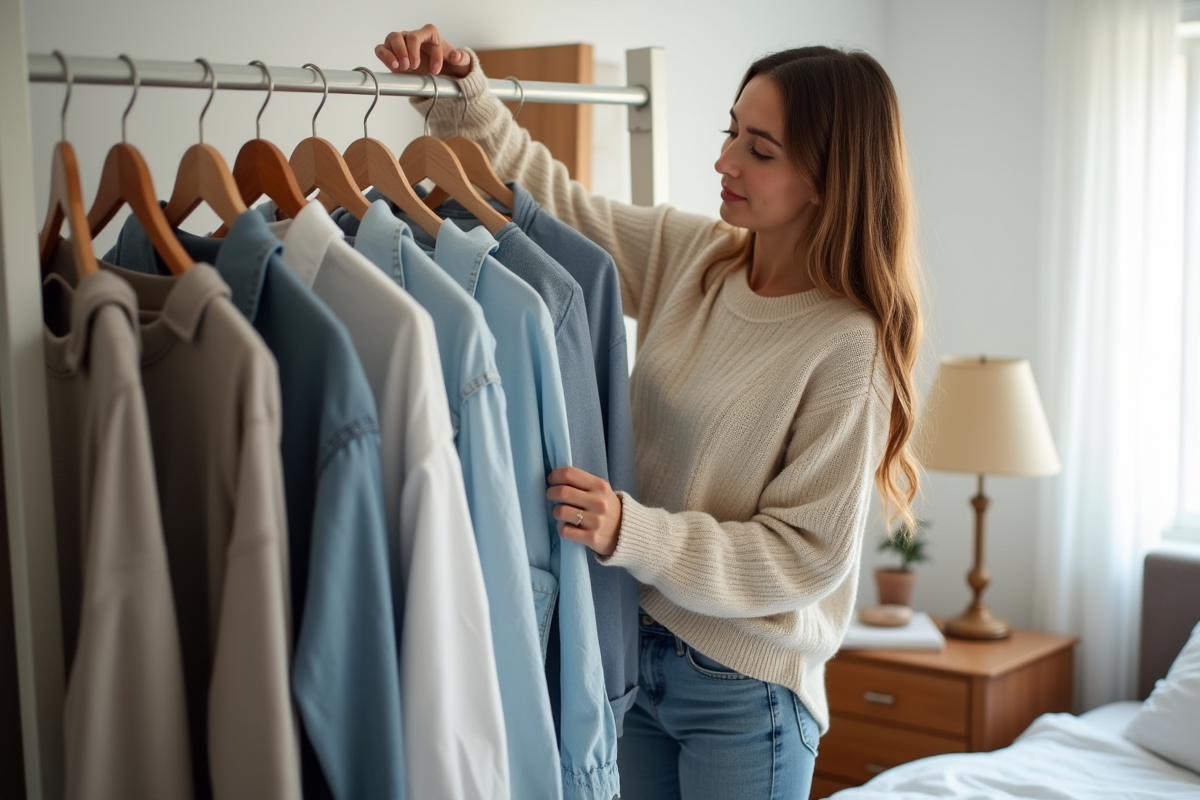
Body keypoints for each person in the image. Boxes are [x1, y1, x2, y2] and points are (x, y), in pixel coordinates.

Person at [376, 24, 923, 799]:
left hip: (744, 693)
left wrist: (632, 531)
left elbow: (803, 557)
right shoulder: (695, 257)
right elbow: (555, 207)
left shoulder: (848, 348)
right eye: (731, 131)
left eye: (759, 150)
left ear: (829, 183)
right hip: (630, 650)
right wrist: (465, 92)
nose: (724, 160)